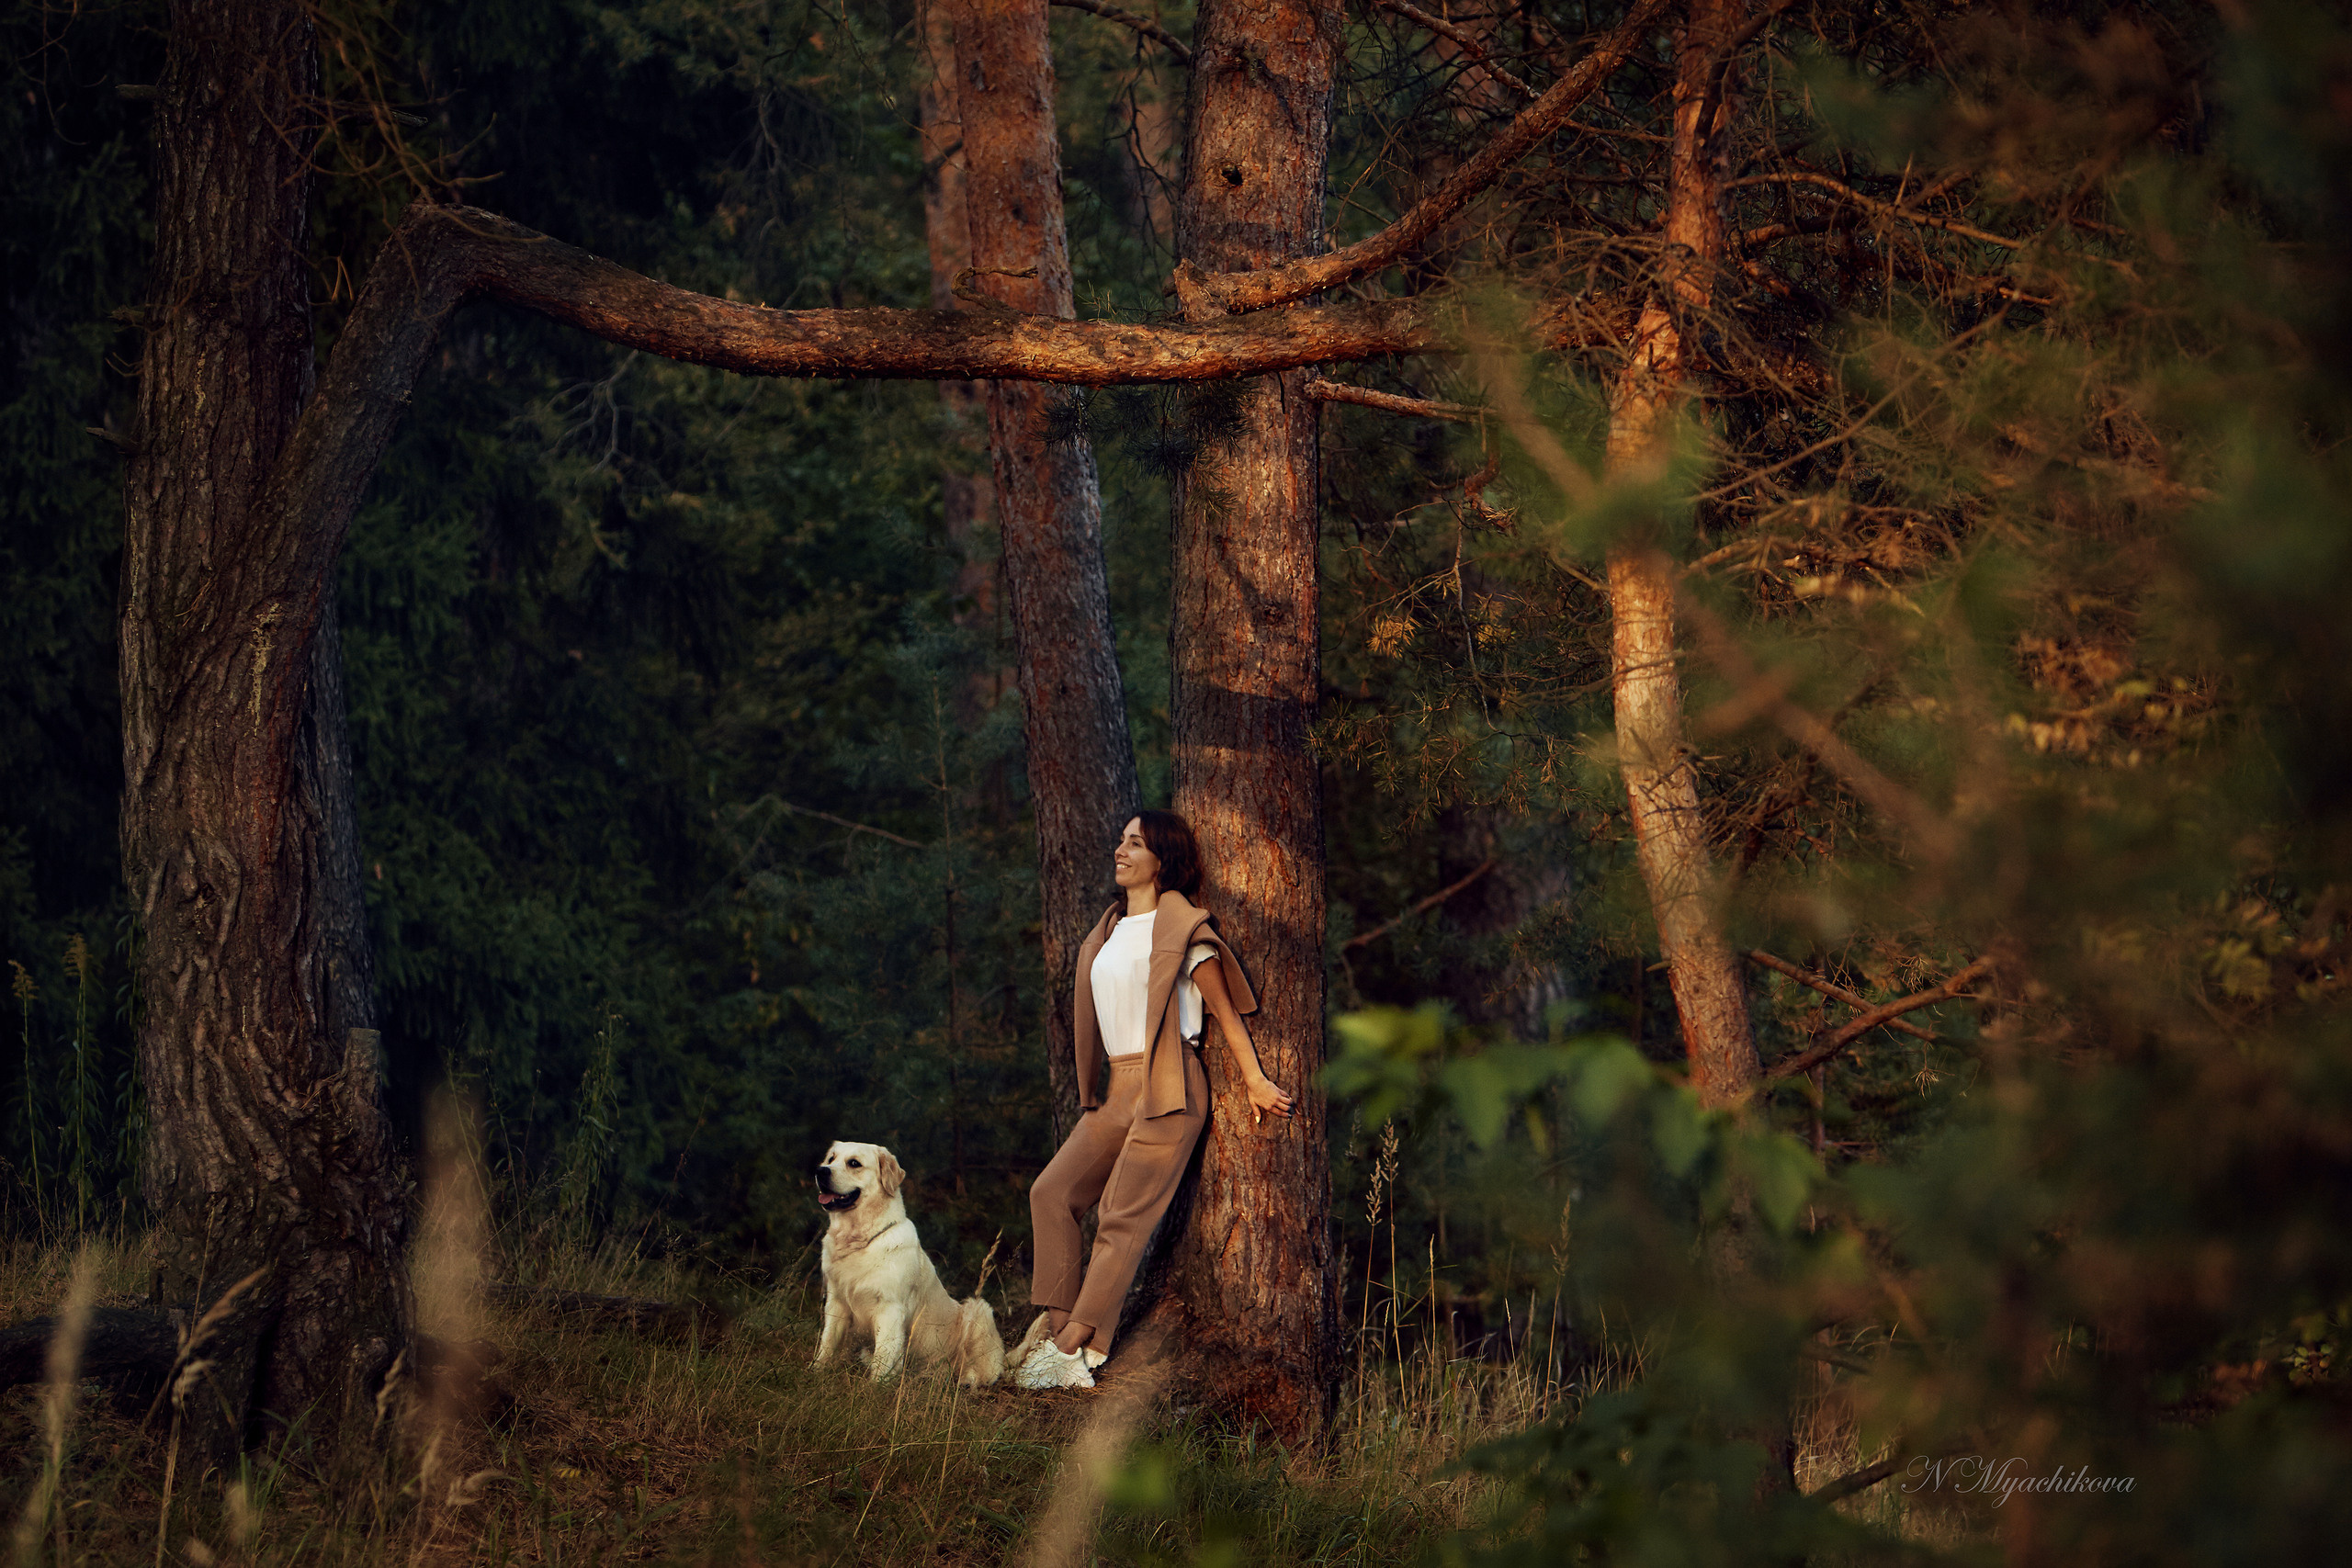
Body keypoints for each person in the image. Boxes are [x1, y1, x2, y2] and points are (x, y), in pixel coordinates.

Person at [1012, 809, 1295, 1390]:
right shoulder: (1111, 929)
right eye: (1121, 840)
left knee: (1122, 1213)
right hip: (1119, 1086)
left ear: (1161, 860)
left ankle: (1073, 1347)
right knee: (1052, 1193)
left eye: (1134, 843)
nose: (1121, 850)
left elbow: (1222, 1008)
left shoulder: (1185, 930)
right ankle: (1061, 1335)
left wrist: (1255, 1080)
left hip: (1170, 1081)